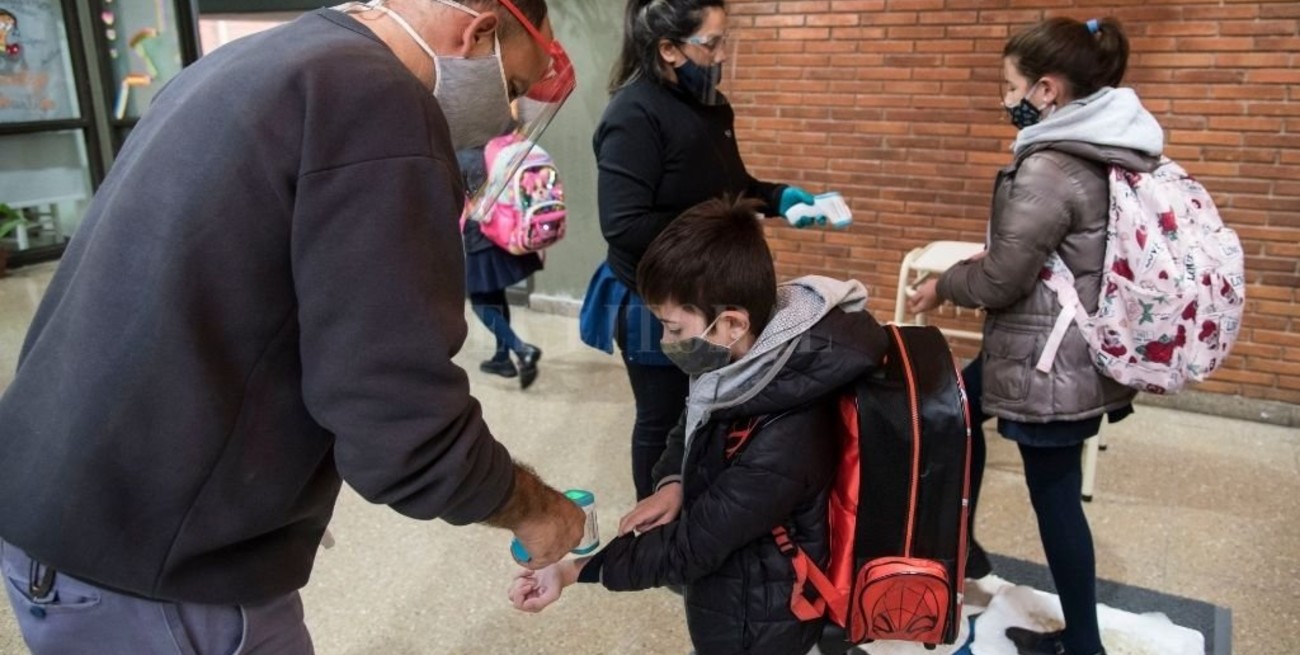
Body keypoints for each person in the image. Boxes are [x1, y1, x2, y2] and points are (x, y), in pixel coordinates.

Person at [0, 1, 586, 652]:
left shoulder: (257, 60)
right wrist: (538, 510)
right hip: (159, 569)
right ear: (478, 32)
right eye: (509, 87)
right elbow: (401, 423)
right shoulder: (383, 103)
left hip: (60, 511)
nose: (506, 113)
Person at [513, 196, 888, 655]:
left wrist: (574, 571)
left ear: (730, 323)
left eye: (672, 327)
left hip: (763, 614)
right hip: (734, 588)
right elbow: (689, 424)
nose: (664, 341)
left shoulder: (785, 432)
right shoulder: (746, 362)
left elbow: (691, 547)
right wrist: (674, 482)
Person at [908, 16, 1159, 655]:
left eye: (1009, 85)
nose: (1004, 98)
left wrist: (943, 285)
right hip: (1041, 346)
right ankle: (960, 547)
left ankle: (1083, 645)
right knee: (951, 415)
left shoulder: (1050, 165)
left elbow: (1000, 278)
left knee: (1053, 497)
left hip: (1048, 363)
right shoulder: (1103, 146)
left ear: (1045, 90)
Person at [580, 0, 838, 502]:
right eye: (711, 43)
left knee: (702, 409)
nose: (722, 53)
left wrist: (782, 197)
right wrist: (722, 230)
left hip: (708, 290)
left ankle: (698, 509)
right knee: (661, 419)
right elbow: (624, 224)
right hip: (653, 300)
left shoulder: (712, 107)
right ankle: (656, 523)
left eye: (724, 40)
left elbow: (732, 186)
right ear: (669, 50)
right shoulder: (633, 114)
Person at [457, 144, 544, 389]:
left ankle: (521, 350)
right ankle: (502, 358)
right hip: (503, 231)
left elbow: (462, 201)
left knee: (480, 304)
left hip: (479, 236)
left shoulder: (461, 156)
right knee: (495, 295)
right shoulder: (494, 149)